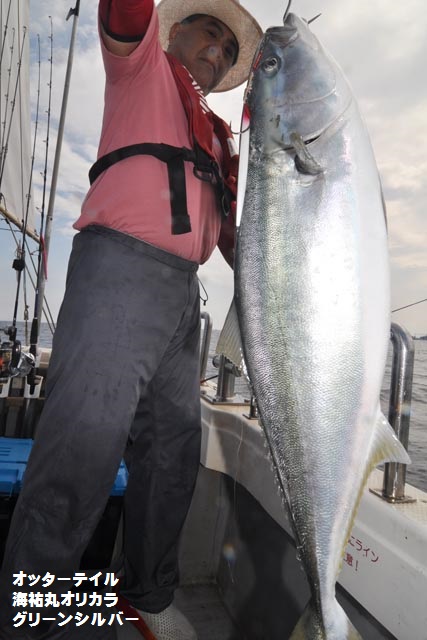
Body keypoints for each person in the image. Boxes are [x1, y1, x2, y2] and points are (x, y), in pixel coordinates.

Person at [0, 1, 262, 639]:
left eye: (230, 50)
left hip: (183, 296)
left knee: (173, 452)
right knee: (82, 451)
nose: (218, 52)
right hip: (119, 272)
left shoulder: (218, 138)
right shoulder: (141, 64)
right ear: (174, 32)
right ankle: (31, 621)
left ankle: (148, 594)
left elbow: (238, 245)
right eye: (210, 33)